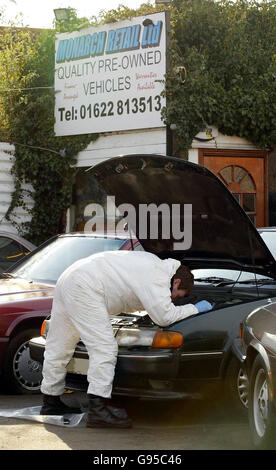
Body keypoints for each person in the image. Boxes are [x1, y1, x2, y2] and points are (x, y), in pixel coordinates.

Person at [40, 250, 212, 428]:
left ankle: (50, 402)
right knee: (104, 349)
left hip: (69, 277)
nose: (174, 299)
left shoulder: (152, 263)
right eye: (178, 294)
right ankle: (98, 410)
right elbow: (164, 316)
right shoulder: (158, 276)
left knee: (59, 344)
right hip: (86, 286)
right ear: (176, 282)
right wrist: (195, 308)